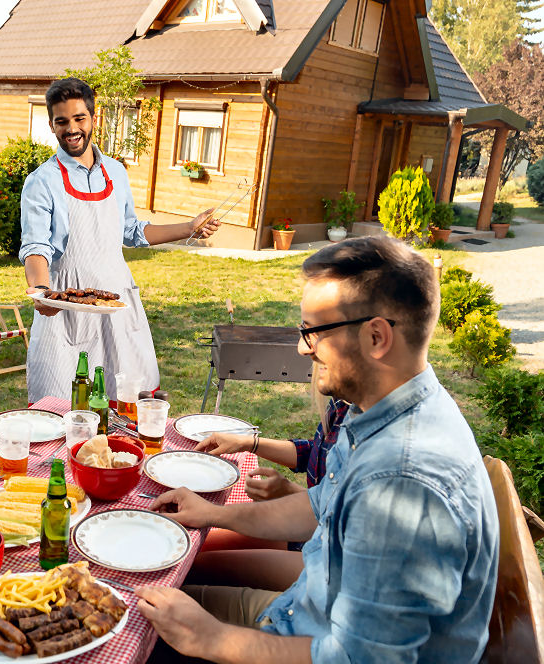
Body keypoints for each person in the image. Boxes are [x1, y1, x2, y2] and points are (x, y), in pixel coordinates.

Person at [138, 236, 499, 663]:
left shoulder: (402, 483)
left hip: (315, 643)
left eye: (313, 332)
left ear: (377, 337)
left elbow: (359, 659)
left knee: (128, 634)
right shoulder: (379, 408)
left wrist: (213, 640)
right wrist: (212, 515)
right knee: (152, 586)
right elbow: (317, 508)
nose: (301, 348)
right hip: (303, 613)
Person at [20, 77, 220, 403]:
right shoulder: (41, 182)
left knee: (125, 405)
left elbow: (131, 231)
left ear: (93, 119)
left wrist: (189, 228)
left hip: (117, 303)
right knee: (62, 407)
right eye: (62, 121)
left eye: (79, 118)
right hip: (67, 306)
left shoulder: (116, 172)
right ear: (52, 125)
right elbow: (36, 246)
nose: (71, 128)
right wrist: (42, 291)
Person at [190, 372, 349, 591]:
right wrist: (248, 443)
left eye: (312, 338)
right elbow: (318, 451)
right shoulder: (346, 402)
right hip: (310, 532)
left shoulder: (380, 436)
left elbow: (336, 519)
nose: (304, 349)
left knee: (197, 566)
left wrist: (291, 492)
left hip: (327, 561)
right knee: (195, 550)